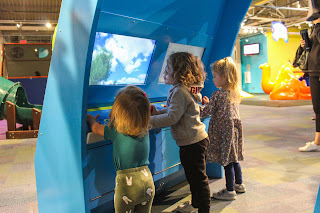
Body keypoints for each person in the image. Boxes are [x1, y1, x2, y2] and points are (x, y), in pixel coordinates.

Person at [149, 52, 210, 213]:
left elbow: (172, 118)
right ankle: (197, 203)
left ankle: (204, 208)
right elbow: (175, 111)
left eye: (167, 71)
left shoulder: (179, 92)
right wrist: (156, 113)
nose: (164, 74)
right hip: (195, 140)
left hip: (192, 143)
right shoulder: (185, 90)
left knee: (198, 178)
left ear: (179, 74)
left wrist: (148, 122)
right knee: (194, 176)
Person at [87, 85, 155, 213]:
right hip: (147, 182)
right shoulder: (144, 130)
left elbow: (95, 129)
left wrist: (90, 119)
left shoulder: (116, 132)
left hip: (127, 188)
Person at [201, 57, 245, 200]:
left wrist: (196, 109)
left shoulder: (217, 94)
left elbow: (206, 112)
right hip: (233, 131)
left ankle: (230, 190)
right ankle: (239, 184)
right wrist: (210, 103)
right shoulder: (233, 93)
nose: (213, 79)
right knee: (234, 159)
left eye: (215, 76)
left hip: (223, 132)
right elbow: (219, 108)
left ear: (224, 76)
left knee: (226, 162)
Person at [298, 14, 320, 152]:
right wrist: (305, 45)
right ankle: (317, 141)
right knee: (317, 109)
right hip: (314, 70)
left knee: (318, 108)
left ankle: (317, 142)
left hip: (318, 70)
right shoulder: (315, 28)